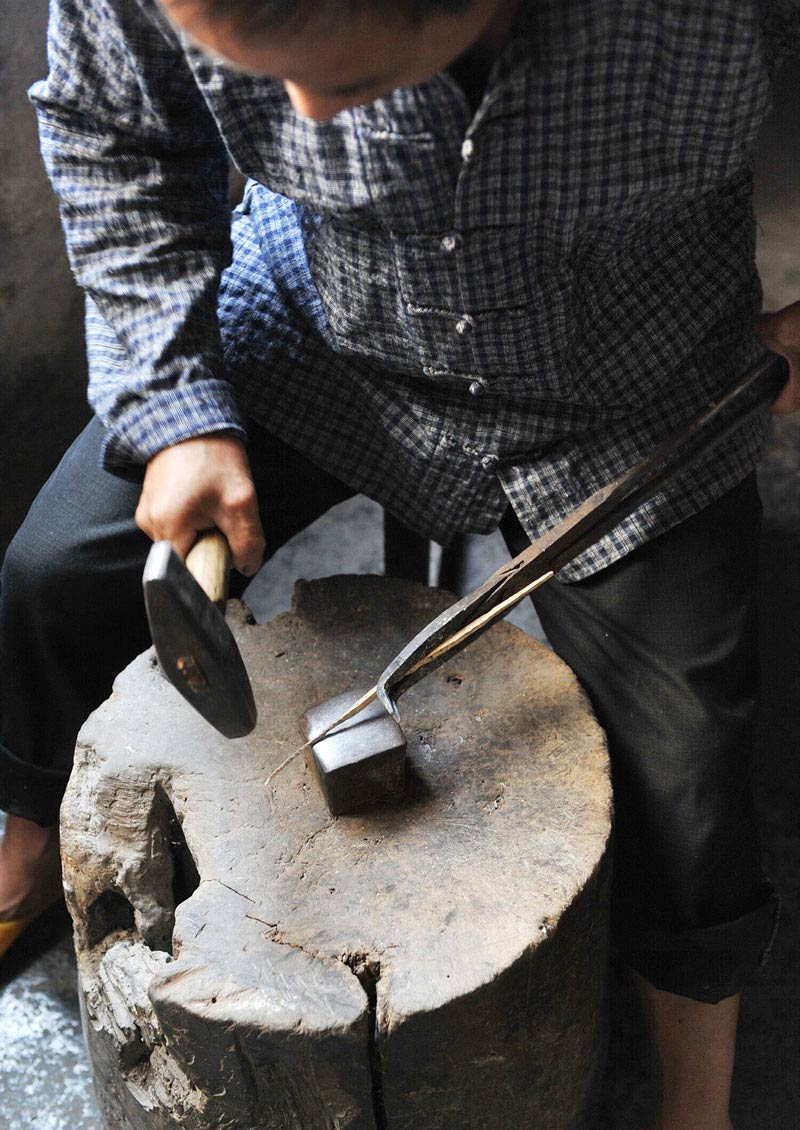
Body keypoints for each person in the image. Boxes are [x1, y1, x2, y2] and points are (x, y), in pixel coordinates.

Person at [2, 0, 799, 1125]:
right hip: (317, 320)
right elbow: (109, 128)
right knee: (49, 574)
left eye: (346, 79)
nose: (306, 121)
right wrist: (174, 411)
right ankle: (27, 853)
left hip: (632, 380)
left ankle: (695, 1096)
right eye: (256, 77)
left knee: (689, 756)